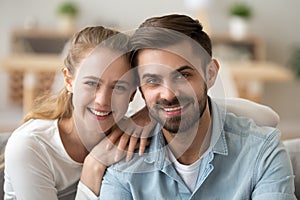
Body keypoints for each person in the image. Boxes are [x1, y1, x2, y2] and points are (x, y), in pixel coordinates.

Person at [88, 14, 295, 199]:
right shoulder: (123, 161)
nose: (168, 94)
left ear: (211, 74)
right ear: (140, 87)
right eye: (152, 80)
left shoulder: (262, 151)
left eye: (183, 76)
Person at [3, 25, 151, 200]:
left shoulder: (131, 135)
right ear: (68, 81)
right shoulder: (30, 146)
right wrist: (94, 165)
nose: (102, 100)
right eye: (91, 83)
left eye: (119, 87)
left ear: (133, 93)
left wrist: (149, 113)